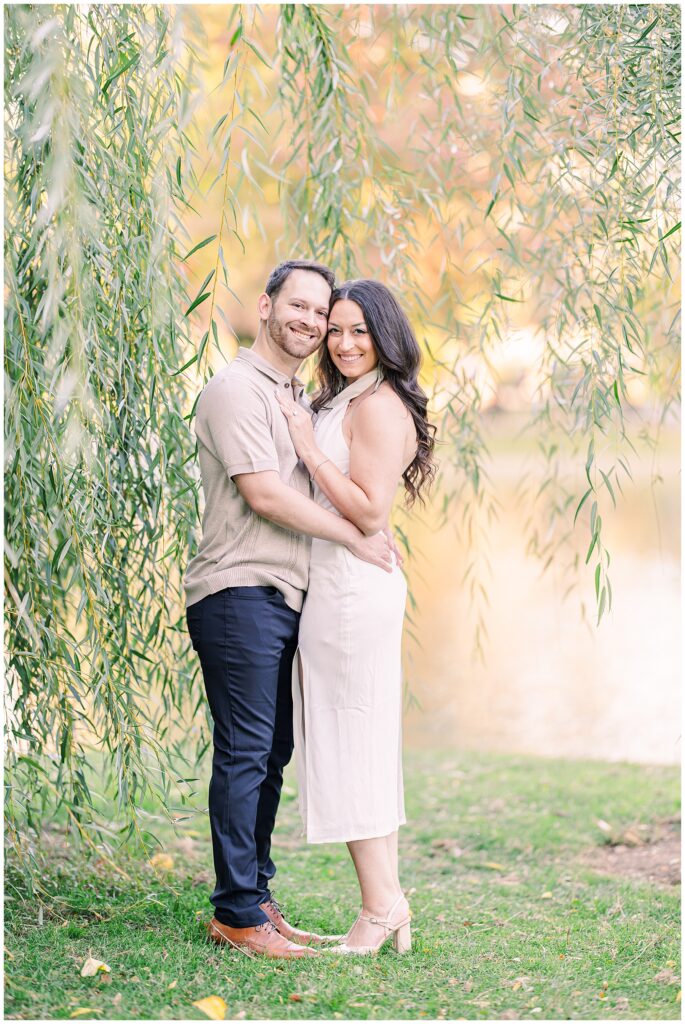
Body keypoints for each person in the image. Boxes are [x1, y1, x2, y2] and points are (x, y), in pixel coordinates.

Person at [184, 260, 397, 960]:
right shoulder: (237, 389)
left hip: (283, 596)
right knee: (246, 753)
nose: (312, 324)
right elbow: (266, 496)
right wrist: (359, 537)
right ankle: (236, 914)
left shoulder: (294, 396)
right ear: (266, 306)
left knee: (269, 755)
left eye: (323, 316)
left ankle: (258, 903)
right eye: (300, 308)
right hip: (237, 589)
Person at [275, 278, 436, 955]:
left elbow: (369, 511)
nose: (341, 342)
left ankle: (379, 907)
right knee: (358, 744)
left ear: (384, 336)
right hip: (341, 582)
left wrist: (307, 447)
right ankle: (386, 902)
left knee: (348, 747)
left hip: (348, 590)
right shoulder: (351, 397)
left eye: (357, 332)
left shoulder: (375, 406)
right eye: (334, 330)